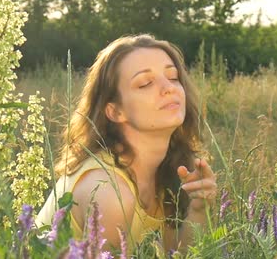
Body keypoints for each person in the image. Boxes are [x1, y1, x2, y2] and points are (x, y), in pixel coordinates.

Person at [35, 34, 217, 254]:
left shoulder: (167, 171)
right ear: (115, 111)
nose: (168, 87)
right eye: (145, 83)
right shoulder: (107, 191)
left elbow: (176, 254)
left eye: (173, 76)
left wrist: (199, 207)